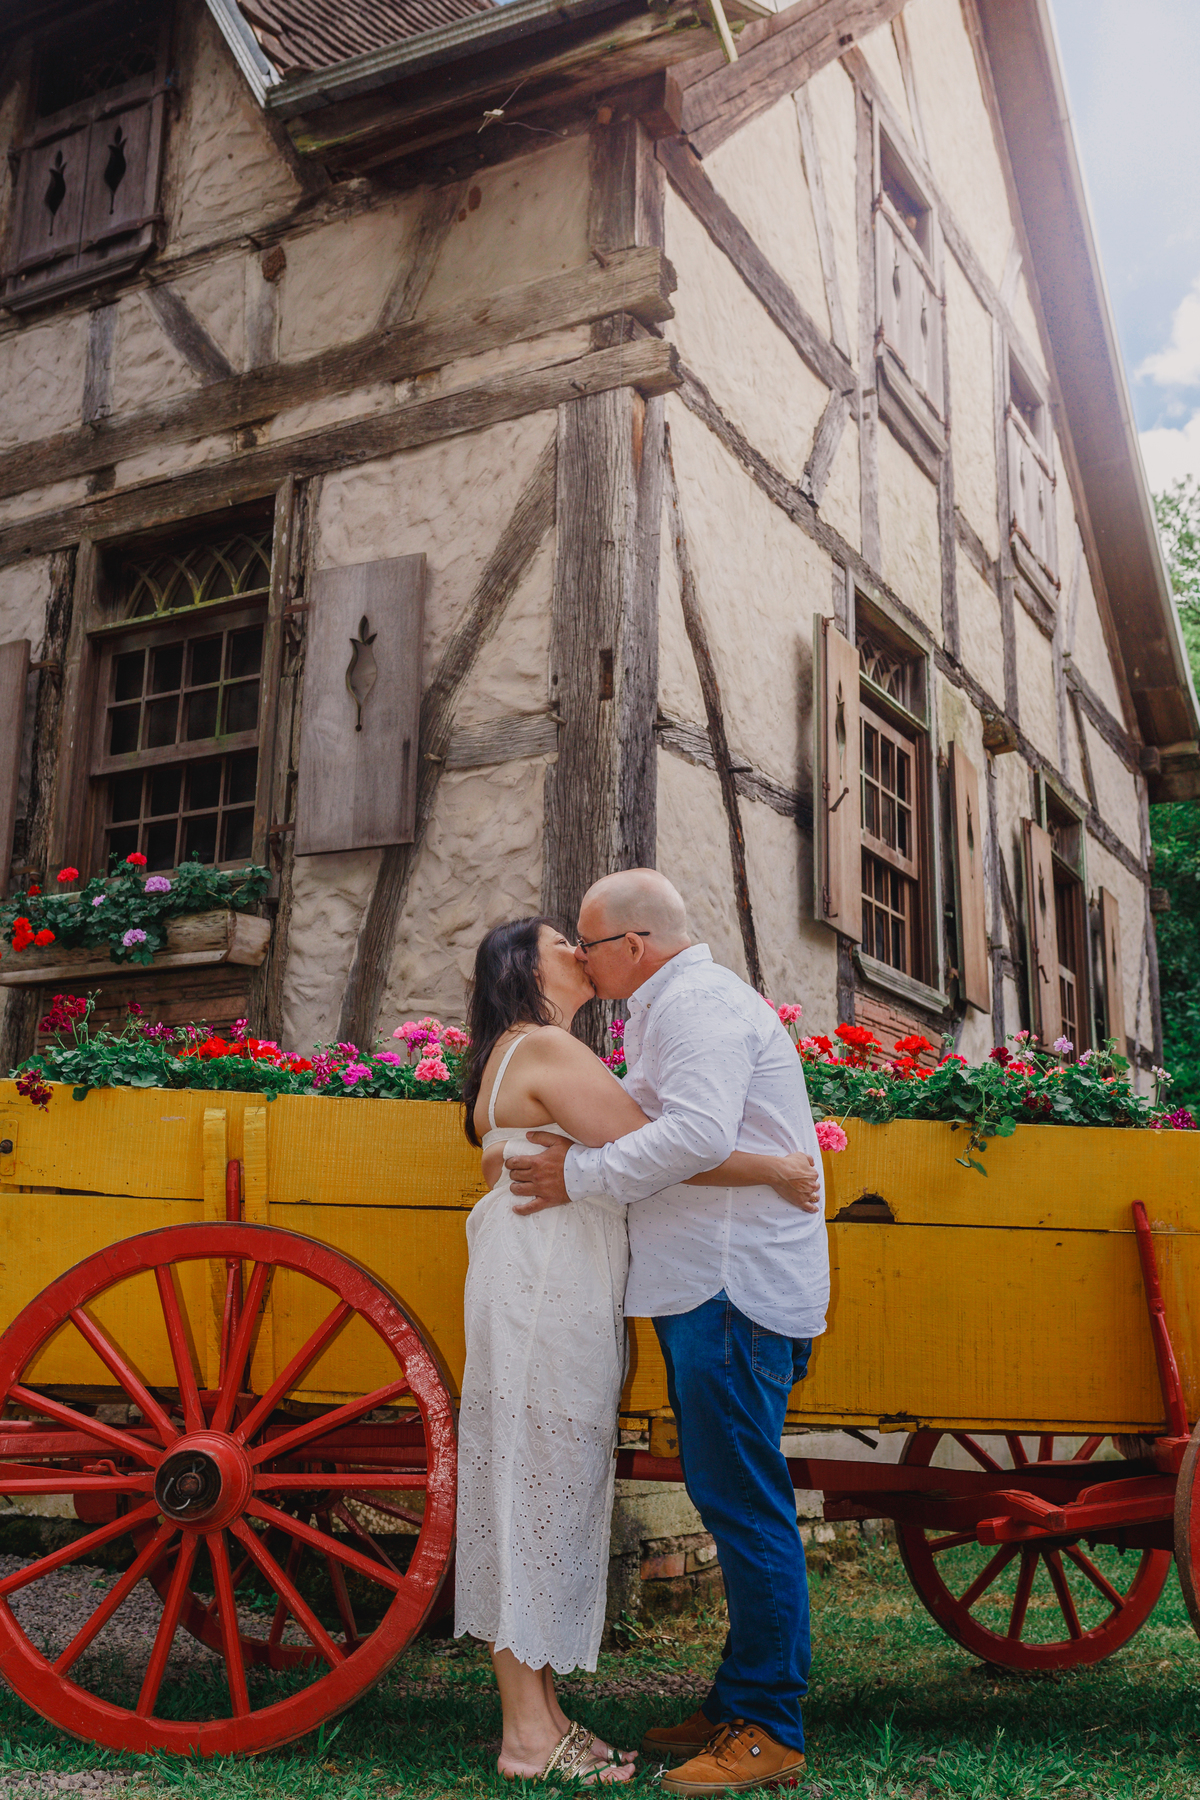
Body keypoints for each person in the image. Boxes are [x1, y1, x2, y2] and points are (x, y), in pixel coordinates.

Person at [455, 915, 821, 1786]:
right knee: (536, 1487)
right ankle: (528, 1736)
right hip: (547, 1286)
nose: (578, 953)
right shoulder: (547, 1047)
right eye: (562, 943)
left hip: (538, 1277)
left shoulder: (519, 1052)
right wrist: (776, 1166)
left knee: (532, 1484)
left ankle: (541, 1720)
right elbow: (669, 1147)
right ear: (523, 968)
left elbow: (561, 1153)